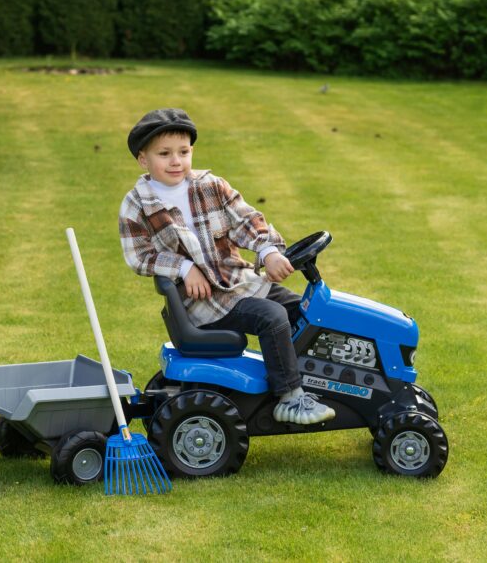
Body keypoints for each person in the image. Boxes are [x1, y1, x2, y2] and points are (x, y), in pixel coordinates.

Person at [118, 108, 336, 425]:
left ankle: (316, 383)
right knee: (272, 317)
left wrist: (269, 251)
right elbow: (138, 255)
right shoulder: (138, 204)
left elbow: (247, 221)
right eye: (164, 154)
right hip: (204, 301)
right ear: (143, 159)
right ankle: (289, 398)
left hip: (241, 282)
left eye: (183, 152)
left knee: (302, 309)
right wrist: (182, 267)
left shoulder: (212, 186)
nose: (176, 161)